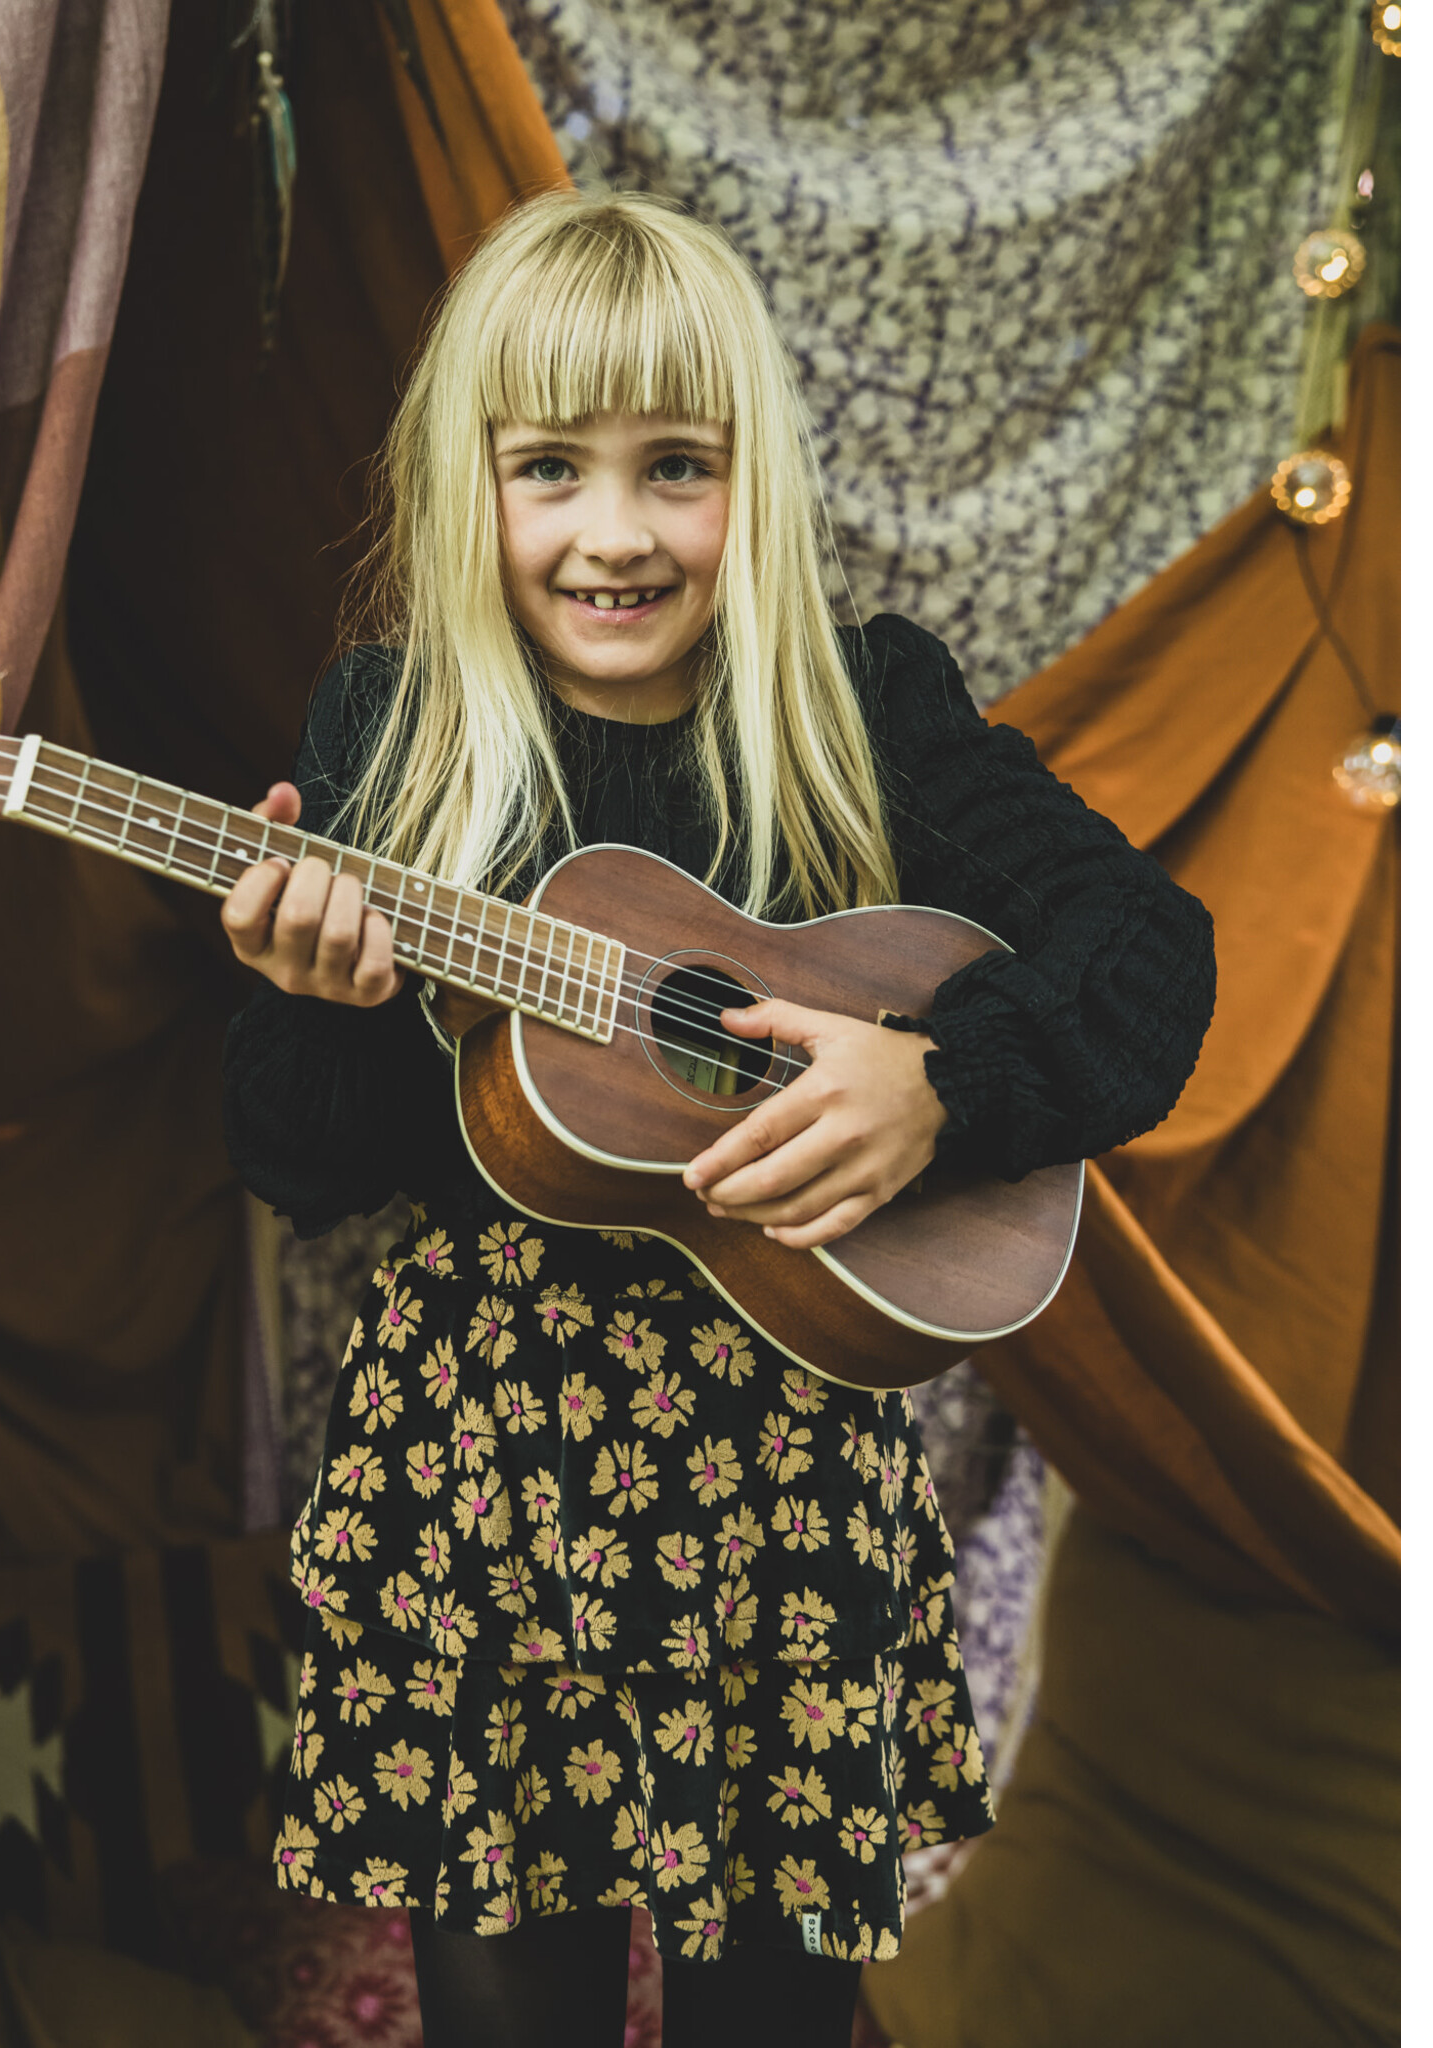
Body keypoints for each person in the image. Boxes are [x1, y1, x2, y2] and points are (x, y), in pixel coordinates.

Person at [219, 190, 1215, 2048]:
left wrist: (942, 1082)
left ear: (751, 477)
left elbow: (1151, 954)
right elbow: (310, 1162)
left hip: (785, 1492)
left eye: (677, 467)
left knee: (778, 2021)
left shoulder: (863, 715)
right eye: (550, 471)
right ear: (470, 486)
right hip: (487, 1476)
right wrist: (314, 1003)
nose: (615, 534)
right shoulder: (397, 728)